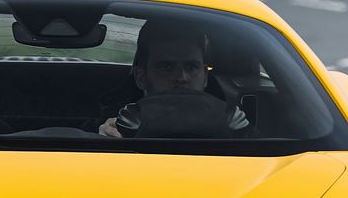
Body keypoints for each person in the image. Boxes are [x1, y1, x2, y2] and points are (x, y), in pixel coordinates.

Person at [99, 21, 251, 138]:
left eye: (191, 67)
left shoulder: (232, 121)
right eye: (166, 67)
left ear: (205, 76)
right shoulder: (118, 124)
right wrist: (103, 137)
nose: (181, 78)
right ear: (141, 77)